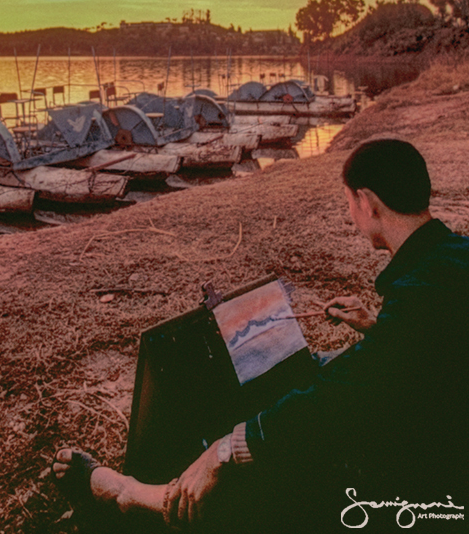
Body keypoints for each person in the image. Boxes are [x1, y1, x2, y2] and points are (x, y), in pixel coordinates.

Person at [53, 138, 469, 531]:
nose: (350, 215)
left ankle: (130, 495)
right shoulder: (450, 259)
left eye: (349, 203)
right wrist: (379, 328)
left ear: (366, 201)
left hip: (439, 486)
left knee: (286, 474)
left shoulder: (423, 291)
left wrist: (229, 448)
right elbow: (434, 346)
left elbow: (344, 394)